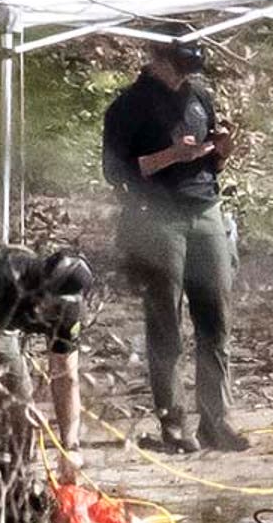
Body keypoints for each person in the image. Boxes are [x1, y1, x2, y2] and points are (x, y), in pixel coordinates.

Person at [101, 37, 248, 453]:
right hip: (157, 217)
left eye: (190, 70)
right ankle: (174, 425)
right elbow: (116, 172)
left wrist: (220, 151)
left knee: (215, 320)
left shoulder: (198, 96)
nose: (185, 77)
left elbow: (210, 162)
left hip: (206, 209)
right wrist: (169, 156)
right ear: (157, 59)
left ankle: (216, 420)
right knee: (166, 324)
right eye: (179, 67)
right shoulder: (128, 106)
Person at [0, 244, 95, 469]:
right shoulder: (2, 280)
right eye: (46, 294)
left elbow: (66, 378)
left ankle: (16, 489)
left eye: (56, 305)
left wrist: (70, 447)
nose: (46, 306)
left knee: (22, 421)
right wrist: (10, 402)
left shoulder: (71, 312)